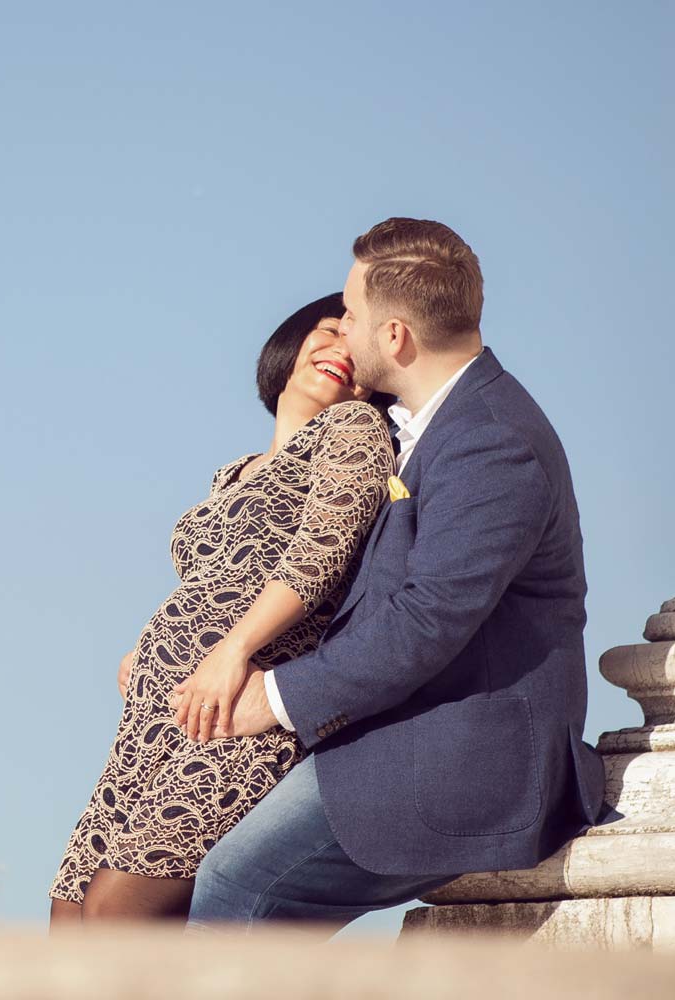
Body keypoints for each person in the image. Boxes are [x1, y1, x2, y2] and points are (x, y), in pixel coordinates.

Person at [186, 217, 607, 930]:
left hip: (463, 756)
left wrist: (277, 699)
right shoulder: (435, 426)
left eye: (350, 315)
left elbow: (426, 619)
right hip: (399, 729)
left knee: (233, 885)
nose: (338, 333)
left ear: (394, 338)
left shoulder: (493, 441)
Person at [49, 293, 395, 925]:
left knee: (117, 909)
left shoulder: (354, 430)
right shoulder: (233, 473)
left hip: (232, 715)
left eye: (357, 343)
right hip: (156, 718)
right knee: (70, 907)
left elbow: (321, 555)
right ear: (291, 345)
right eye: (328, 331)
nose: (340, 351)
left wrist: (230, 650)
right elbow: (215, 579)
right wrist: (148, 644)